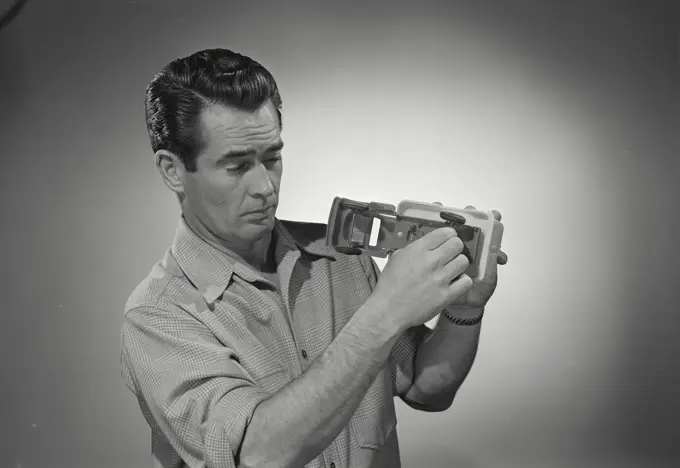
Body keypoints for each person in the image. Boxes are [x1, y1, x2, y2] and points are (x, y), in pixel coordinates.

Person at [120, 47, 508, 468]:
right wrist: (383, 314)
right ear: (172, 170)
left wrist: (464, 310)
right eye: (236, 167)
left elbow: (426, 389)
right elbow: (259, 456)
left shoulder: (340, 259)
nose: (265, 187)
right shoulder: (156, 316)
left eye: (272, 158)